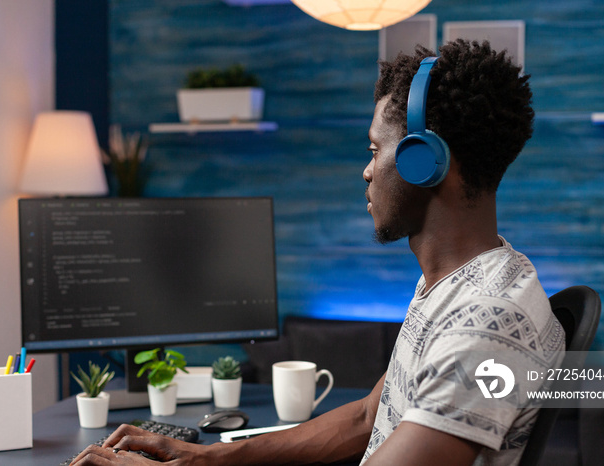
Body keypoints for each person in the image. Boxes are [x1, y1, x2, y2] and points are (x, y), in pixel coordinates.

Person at [72, 39, 565, 466]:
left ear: (424, 162)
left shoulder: (485, 322)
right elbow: (368, 415)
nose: (367, 172)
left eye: (375, 150)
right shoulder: (458, 283)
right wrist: (204, 456)